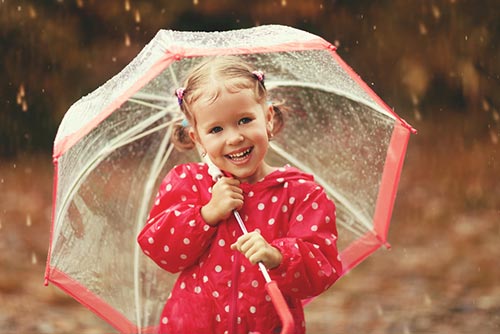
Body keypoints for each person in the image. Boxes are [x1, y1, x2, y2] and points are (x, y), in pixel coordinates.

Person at [137, 56, 342, 333]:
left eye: (245, 120)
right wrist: (206, 214)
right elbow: (160, 248)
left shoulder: (300, 193)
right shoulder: (189, 183)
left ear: (267, 118)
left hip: (268, 325)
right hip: (194, 324)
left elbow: (322, 269)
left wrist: (277, 255)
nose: (234, 138)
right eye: (216, 129)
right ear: (198, 138)